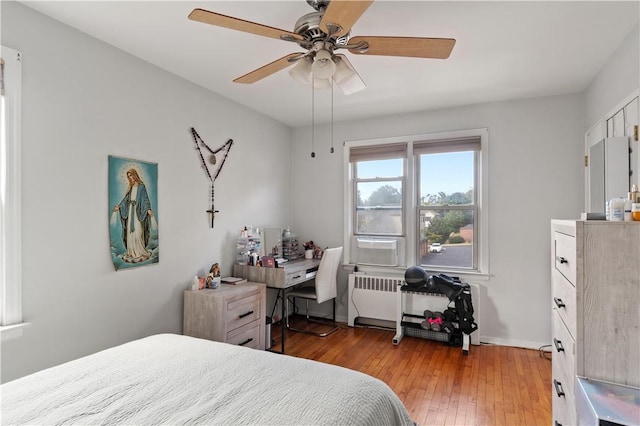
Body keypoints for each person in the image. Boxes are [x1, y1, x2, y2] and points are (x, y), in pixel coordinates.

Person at [113, 168, 154, 263]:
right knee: (130, 232)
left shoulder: (141, 187)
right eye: (128, 177)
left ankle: (139, 251)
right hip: (131, 211)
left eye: (131, 176)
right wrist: (119, 206)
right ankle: (132, 252)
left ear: (135, 175)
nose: (130, 178)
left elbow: (145, 199)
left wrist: (148, 209)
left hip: (137, 212)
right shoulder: (131, 188)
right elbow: (126, 200)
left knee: (138, 231)